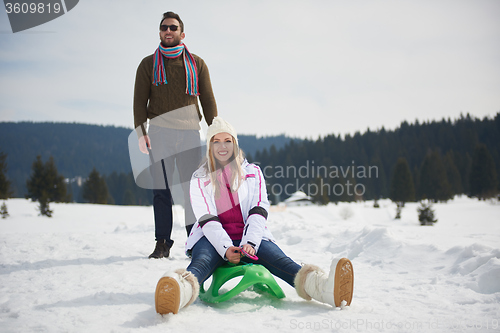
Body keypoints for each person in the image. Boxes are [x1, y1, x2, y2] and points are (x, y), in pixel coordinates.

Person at [154, 117, 354, 314]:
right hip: (211, 237)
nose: (222, 147)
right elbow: (207, 218)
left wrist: (250, 242)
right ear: (209, 146)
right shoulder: (199, 178)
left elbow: (259, 209)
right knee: (202, 262)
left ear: (235, 142)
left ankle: (324, 289)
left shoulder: (253, 172)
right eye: (216, 141)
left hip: (250, 236)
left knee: (282, 261)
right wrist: (226, 248)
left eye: (227, 141)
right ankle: (177, 291)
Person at [133, 11, 217, 259]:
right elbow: (139, 102)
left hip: (190, 134)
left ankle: (195, 242)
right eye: (163, 27)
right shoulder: (148, 64)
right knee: (161, 190)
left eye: (172, 27)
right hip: (159, 134)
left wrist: (215, 133)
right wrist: (141, 132)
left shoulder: (197, 64)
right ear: (160, 32)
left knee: (192, 191)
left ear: (182, 33)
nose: (167, 31)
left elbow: (209, 100)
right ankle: (162, 243)